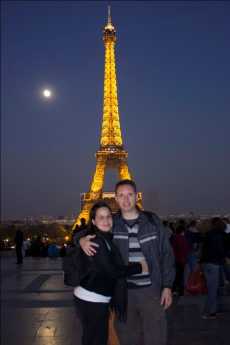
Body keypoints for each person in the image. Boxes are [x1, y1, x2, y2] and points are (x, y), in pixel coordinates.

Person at [77, 179, 175, 345]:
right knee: (128, 337)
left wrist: (167, 286)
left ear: (136, 196)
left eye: (130, 194)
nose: (126, 199)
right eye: (121, 195)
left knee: (156, 337)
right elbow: (87, 232)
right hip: (123, 292)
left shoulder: (152, 221)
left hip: (151, 291)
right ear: (115, 198)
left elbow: (166, 254)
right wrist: (80, 240)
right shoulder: (111, 224)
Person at [74, 201, 148, 345]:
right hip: (92, 299)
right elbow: (113, 271)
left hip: (94, 297)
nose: (106, 220)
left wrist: (80, 239)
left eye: (108, 216)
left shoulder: (106, 238)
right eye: (101, 217)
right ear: (93, 221)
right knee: (97, 339)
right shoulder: (97, 241)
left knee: (94, 338)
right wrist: (140, 267)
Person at [201, 217, 227, 319]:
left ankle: (214, 309)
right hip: (215, 263)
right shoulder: (222, 235)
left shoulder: (208, 234)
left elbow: (204, 250)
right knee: (213, 289)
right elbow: (221, 250)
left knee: (212, 288)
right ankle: (210, 312)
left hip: (206, 263)